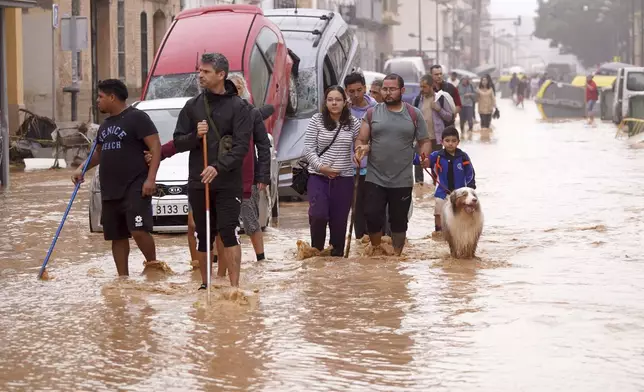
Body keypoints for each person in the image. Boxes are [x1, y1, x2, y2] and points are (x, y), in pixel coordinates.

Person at [173, 52, 253, 289]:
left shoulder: (240, 108)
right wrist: (195, 136)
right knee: (203, 233)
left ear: (221, 74)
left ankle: (234, 288)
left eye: (205, 72)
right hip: (199, 181)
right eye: (199, 71)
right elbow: (178, 142)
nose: (200, 75)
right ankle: (205, 285)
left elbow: (240, 149)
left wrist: (218, 167)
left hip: (228, 182)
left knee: (229, 231)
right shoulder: (192, 106)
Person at [72, 79, 162, 276]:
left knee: (138, 230)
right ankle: (123, 279)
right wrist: (81, 168)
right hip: (110, 188)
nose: (97, 100)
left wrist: (151, 179)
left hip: (135, 185)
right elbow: (98, 153)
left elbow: (156, 146)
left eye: (101, 96)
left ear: (112, 97)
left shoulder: (138, 118)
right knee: (116, 236)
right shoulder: (105, 125)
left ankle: (154, 267)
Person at [354, 73, 432, 256]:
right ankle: (376, 250)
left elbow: (424, 140)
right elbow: (361, 138)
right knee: (372, 216)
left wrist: (424, 155)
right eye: (385, 89)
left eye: (392, 89)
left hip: (402, 178)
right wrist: (360, 150)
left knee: (399, 221)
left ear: (402, 91)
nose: (388, 93)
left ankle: (397, 257)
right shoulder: (372, 113)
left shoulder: (413, 114)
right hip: (375, 176)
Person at [304, 86, 361, 257]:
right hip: (318, 177)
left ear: (345, 102)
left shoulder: (353, 122)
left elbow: (360, 142)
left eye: (338, 100)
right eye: (330, 99)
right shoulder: (317, 120)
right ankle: (316, 253)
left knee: (339, 222)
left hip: (344, 180)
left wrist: (359, 152)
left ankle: (336, 261)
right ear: (325, 102)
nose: (334, 103)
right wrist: (321, 167)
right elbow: (308, 148)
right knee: (318, 215)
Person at [228, 73, 272, 261]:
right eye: (231, 88)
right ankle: (217, 261)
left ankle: (260, 258)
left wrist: (263, 176)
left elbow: (263, 146)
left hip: (248, 175)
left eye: (238, 88)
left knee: (251, 219)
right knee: (223, 222)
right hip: (224, 175)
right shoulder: (220, 112)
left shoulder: (252, 113)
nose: (235, 92)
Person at [344, 72, 378, 240]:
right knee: (356, 210)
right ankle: (360, 242)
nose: (356, 95)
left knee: (372, 210)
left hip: (373, 168)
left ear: (365, 88)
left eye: (359, 90)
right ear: (346, 91)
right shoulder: (343, 111)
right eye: (351, 91)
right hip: (349, 170)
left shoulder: (376, 110)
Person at [429, 126, 476, 237]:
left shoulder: (463, 157)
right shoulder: (437, 156)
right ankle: (439, 232)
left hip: (459, 194)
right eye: (447, 141)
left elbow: (470, 172)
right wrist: (415, 158)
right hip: (442, 192)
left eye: (454, 141)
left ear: (458, 142)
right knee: (438, 211)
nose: (450, 143)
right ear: (442, 142)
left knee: (462, 213)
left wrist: (470, 187)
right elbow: (424, 161)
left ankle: (462, 233)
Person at [412, 74, 453, 184]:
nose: (422, 89)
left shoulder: (440, 98)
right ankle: (419, 190)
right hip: (421, 138)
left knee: (436, 166)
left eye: (424, 87)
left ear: (431, 86)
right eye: (420, 86)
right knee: (418, 164)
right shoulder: (417, 100)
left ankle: (437, 188)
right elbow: (412, 119)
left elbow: (449, 116)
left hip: (436, 138)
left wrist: (439, 109)